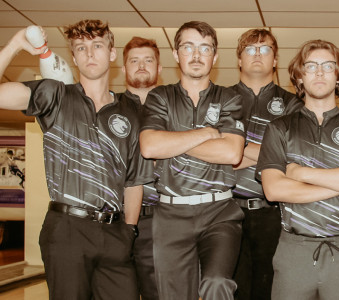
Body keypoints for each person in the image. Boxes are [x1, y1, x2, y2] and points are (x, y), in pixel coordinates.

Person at [0, 19, 151, 299]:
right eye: (81, 48)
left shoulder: (130, 110)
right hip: (67, 229)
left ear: (112, 54)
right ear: (74, 57)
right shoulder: (55, 95)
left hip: (116, 232)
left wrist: (129, 231)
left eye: (97, 46)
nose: (90, 54)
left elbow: (134, 180)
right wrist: (16, 44)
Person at [257, 39, 339, 300]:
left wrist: (300, 174)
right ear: (299, 77)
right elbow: (273, 189)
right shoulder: (279, 128)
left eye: (327, 66)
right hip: (293, 251)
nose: (320, 72)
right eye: (311, 66)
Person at [140, 21, 245, 300]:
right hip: (171, 215)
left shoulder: (229, 98)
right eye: (188, 47)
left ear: (215, 55)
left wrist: (172, 140)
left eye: (204, 48)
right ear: (176, 54)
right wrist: (205, 135)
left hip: (219, 212)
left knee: (217, 283)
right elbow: (150, 146)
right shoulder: (160, 96)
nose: (196, 55)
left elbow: (231, 153)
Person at [230, 28, 302, 300]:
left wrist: (237, 151)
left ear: (275, 60)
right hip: (225, 210)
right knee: (230, 289)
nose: (257, 54)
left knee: (269, 291)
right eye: (250, 49)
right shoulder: (219, 99)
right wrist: (272, 154)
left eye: (265, 49)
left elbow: (293, 159)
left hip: (274, 213)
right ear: (238, 59)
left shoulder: (293, 105)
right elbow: (212, 157)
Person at [121, 35, 163, 300]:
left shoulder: (174, 108)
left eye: (148, 60)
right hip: (115, 221)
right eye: (134, 61)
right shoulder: (109, 107)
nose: (141, 65)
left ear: (159, 68)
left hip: (161, 219)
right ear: (123, 68)